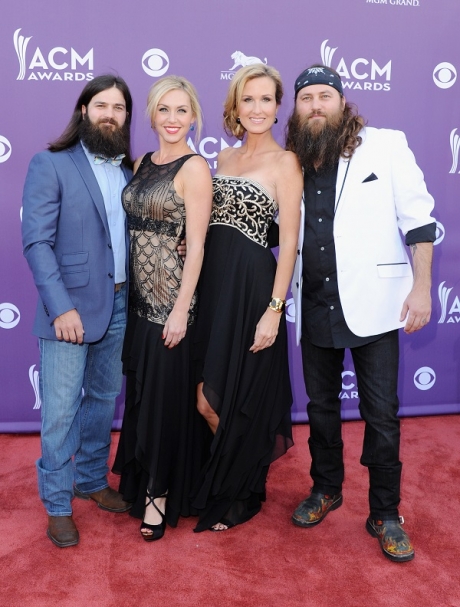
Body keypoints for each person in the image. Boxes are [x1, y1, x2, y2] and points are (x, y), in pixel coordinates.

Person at [286, 65, 436, 562]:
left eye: (324, 96)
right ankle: (326, 488)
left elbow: (419, 221)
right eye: (306, 98)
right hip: (314, 304)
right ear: (297, 107)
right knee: (321, 409)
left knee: (382, 415)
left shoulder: (386, 144)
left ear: (341, 100)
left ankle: (385, 512)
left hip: (376, 305)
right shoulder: (292, 157)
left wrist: (421, 287)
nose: (316, 105)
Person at [22, 75, 134, 548]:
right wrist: (61, 308)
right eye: (102, 105)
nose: (110, 114)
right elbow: (37, 242)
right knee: (60, 411)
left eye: (119, 108)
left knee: (104, 399)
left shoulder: (128, 169)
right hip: (68, 309)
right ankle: (57, 504)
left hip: (122, 302)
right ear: (84, 110)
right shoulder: (51, 163)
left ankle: (90, 479)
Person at [192, 64, 303, 532]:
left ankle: (241, 488)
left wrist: (274, 310)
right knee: (204, 397)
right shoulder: (223, 158)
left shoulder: (286, 163)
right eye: (248, 99)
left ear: (277, 108)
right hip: (213, 288)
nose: (257, 108)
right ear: (235, 107)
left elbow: (289, 243)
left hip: (253, 289)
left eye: (266, 100)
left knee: (225, 399)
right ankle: (233, 479)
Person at [112, 76, 212, 542]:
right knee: (141, 399)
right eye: (164, 110)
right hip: (137, 305)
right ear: (151, 116)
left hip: (170, 308)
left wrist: (180, 309)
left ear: (193, 118)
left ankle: (160, 495)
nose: (173, 119)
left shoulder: (195, 168)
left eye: (182, 110)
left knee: (163, 405)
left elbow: (197, 248)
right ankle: (140, 485)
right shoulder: (142, 163)